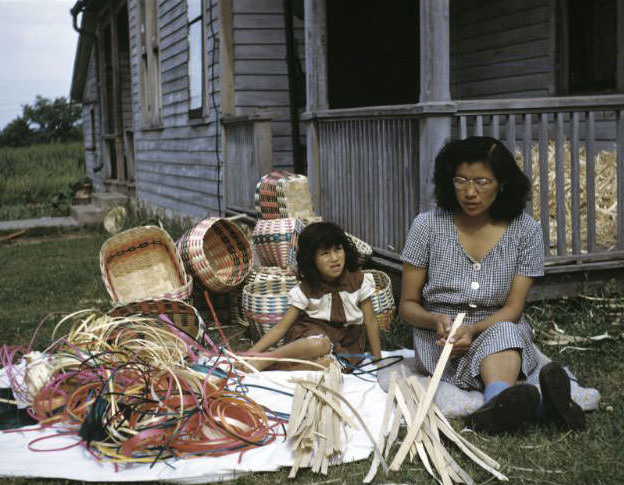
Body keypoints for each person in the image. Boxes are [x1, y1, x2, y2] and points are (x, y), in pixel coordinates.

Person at [399, 136, 585, 434]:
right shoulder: (427, 226)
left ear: (502, 184)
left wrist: (472, 330)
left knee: (505, 334)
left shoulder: (526, 230)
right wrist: (436, 320)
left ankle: (499, 407)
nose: (470, 192)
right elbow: (407, 305)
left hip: (496, 327)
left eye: (482, 182)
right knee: (496, 342)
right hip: (439, 339)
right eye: (461, 181)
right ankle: (539, 408)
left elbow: (513, 308)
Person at [246, 221, 382, 371]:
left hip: (348, 343)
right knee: (320, 344)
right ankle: (265, 359)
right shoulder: (307, 289)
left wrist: (378, 359)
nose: (335, 258)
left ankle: (271, 366)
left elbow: (371, 322)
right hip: (313, 336)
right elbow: (280, 328)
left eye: (338, 249)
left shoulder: (358, 281)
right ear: (311, 259)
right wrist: (251, 353)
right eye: (325, 253)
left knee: (329, 366)